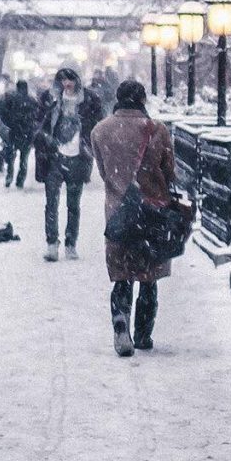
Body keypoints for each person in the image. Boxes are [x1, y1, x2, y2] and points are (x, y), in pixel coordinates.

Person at [91, 81, 175, 355]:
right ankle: (142, 334)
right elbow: (168, 171)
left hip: (118, 214)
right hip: (152, 214)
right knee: (148, 277)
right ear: (142, 100)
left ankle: (120, 319)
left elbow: (104, 172)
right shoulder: (158, 131)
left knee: (122, 275)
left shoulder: (101, 131)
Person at [35, 67, 99, 261]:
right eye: (62, 80)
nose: (66, 84)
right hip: (54, 158)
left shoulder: (89, 101)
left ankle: (71, 243)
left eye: (69, 79)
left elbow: (97, 125)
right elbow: (38, 125)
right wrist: (47, 140)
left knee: (73, 204)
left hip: (78, 157)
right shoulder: (51, 100)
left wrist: (88, 145)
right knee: (51, 203)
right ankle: (52, 244)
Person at [0, 78, 36, 187]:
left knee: (11, 156)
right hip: (27, 133)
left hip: (14, 131)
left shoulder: (10, 99)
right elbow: (37, 116)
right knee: (24, 158)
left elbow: (1, 111)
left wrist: (8, 123)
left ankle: (9, 176)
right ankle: (20, 180)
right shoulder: (31, 100)